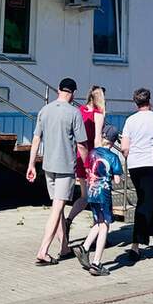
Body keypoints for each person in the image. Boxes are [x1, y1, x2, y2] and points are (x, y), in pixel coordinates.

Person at [26, 77, 89, 265]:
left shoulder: (44, 110)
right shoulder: (74, 113)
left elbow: (36, 139)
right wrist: (88, 166)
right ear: (73, 93)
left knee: (57, 206)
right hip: (65, 167)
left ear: (58, 90)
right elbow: (82, 144)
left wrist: (31, 164)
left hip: (48, 166)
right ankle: (43, 251)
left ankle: (64, 247)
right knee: (57, 209)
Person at [120, 87, 153, 260]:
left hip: (135, 165)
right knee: (145, 203)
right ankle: (136, 245)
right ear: (149, 101)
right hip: (152, 164)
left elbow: (125, 148)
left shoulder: (130, 120)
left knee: (144, 200)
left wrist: (131, 156)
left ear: (136, 102)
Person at [60, 85, 105, 259]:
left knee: (86, 196)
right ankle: (97, 232)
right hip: (92, 158)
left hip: (79, 157)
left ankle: (69, 221)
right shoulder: (98, 114)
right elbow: (97, 139)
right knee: (95, 197)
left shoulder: (79, 111)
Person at [76, 124, 123, 277]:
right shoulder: (113, 157)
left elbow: (88, 169)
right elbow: (117, 180)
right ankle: (96, 263)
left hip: (91, 192)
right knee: (104, 226)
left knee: (98, 222)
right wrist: (114, 176)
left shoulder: (92, 153)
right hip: (104, 194)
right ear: (113, 142)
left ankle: (84, 247)